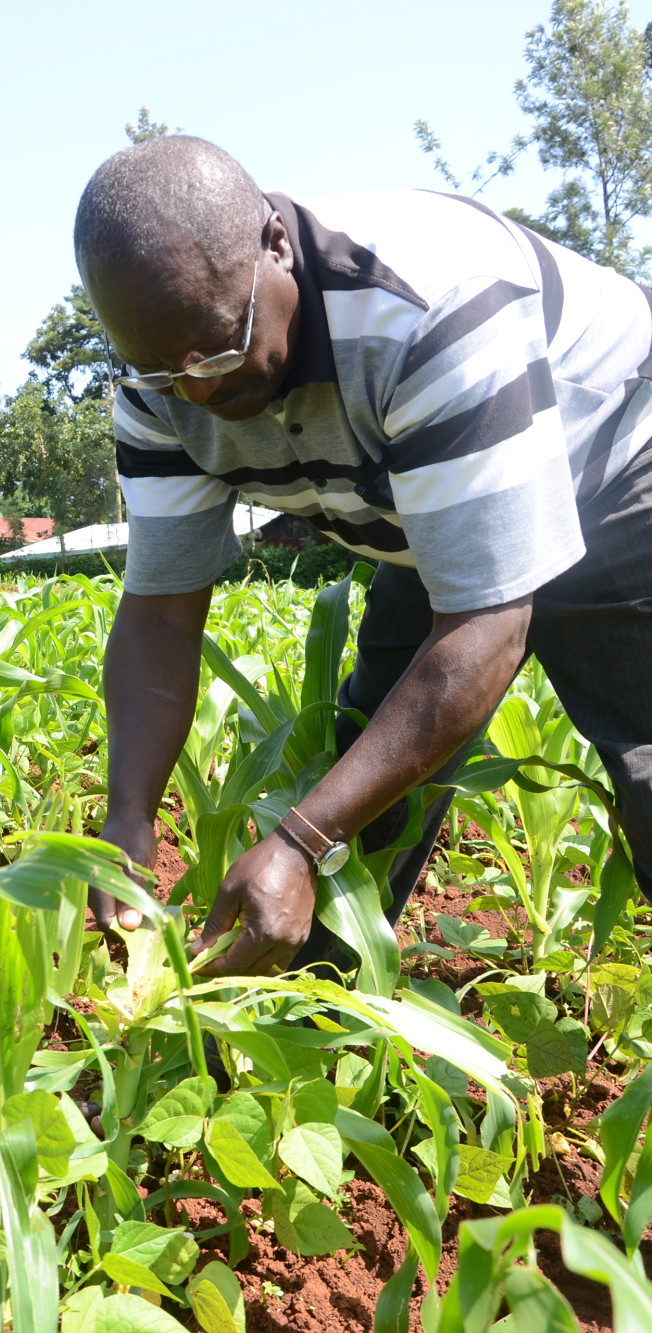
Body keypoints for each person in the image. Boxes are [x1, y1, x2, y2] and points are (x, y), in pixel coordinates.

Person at [74, 134, 652, 978]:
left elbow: (489, 622)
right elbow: (163, 609)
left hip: (609, 456)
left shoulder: (424, 306)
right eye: (164, 373)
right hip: (433, 504)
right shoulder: (160, 380)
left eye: (220, 349)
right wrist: (128, 812)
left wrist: (302, 839)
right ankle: (326, 1009)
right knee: (364, 770)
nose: (198, 390)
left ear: (277, 245)